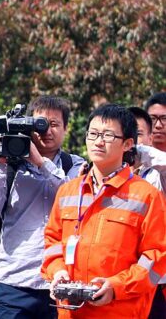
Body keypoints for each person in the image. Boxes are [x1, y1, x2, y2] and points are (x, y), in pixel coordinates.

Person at [42, 103, 166, 318]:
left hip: (121, 311)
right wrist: (57, 272)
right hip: (71, 312)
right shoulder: (68, 191)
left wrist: (116, 287)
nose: (98, 142)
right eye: (93, 134)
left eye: (108, 135)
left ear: (128, 144)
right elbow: (52, 242)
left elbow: (156, 257)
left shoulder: (146, 195)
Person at [0, 95, 84, 318]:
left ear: (66, 129)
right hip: (14, 283)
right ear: (28, 127)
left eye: (54, 124)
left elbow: (74, 199)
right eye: (40, 124)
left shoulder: (75, 165)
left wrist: (40, 163)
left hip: (59, 282)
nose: (47, 131)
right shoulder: (10, 167)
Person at [129, 106, 166, 192]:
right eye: (126, 134)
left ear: (150, 139)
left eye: (138, 134)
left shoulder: (157, 175)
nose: (130, 139)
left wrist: (136, 149)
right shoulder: (110, 170)